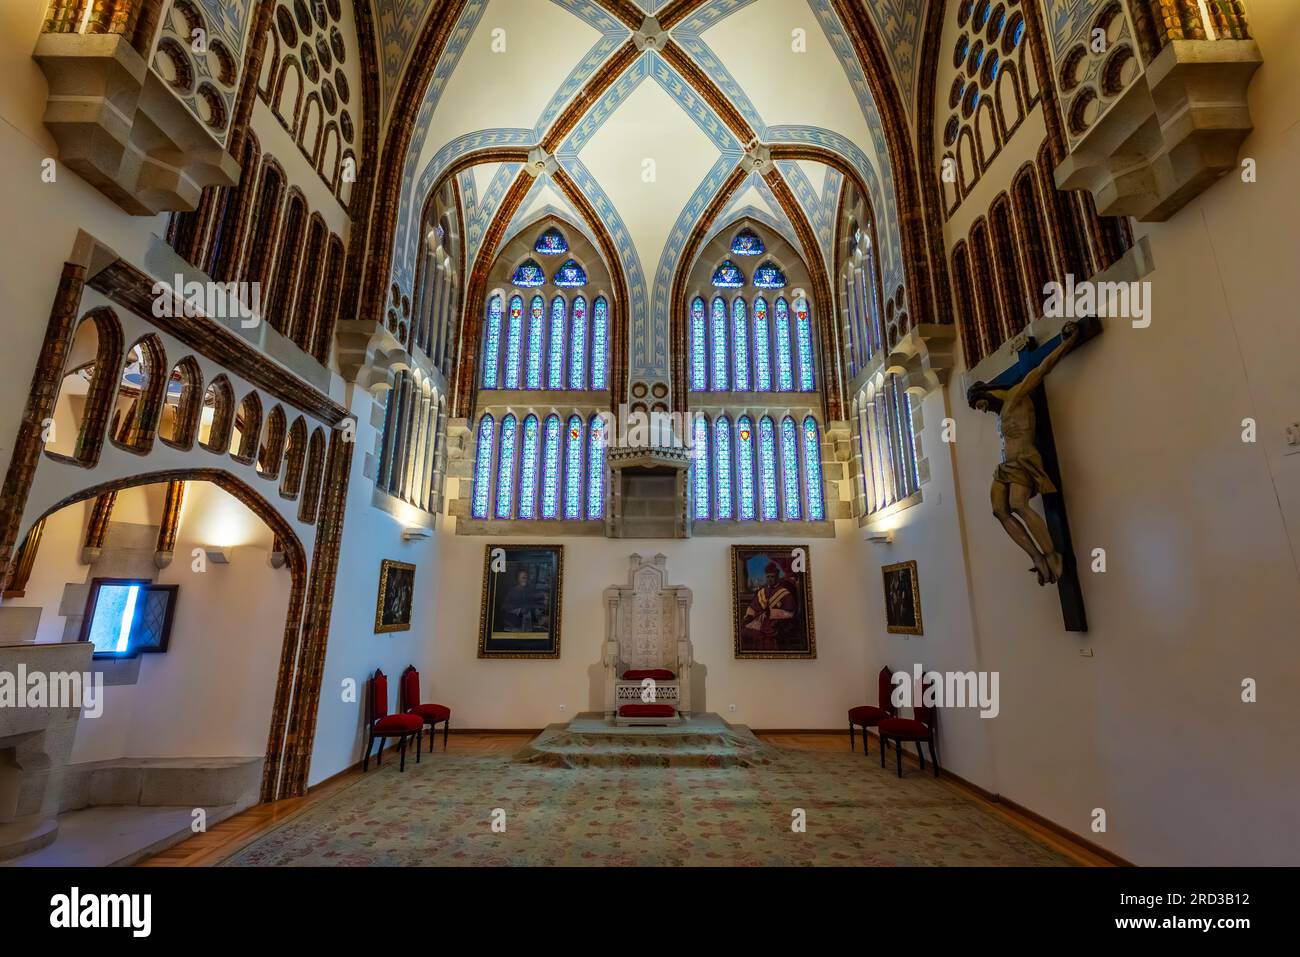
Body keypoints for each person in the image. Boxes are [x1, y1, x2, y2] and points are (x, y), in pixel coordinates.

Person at [967, 321, 1080, 585]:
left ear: (988, 393)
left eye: (982, 404)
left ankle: (1052, 555)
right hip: (1006, 465)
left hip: (1025, 460)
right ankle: (1036, 557)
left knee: (1018, 504)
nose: (983, 410)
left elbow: (1043, 368)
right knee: (999, 510)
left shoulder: (1017, 396)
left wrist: (1068, 342)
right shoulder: (999, 413)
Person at [742, 561, 800, 650]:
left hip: (777, 622)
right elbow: (753, 607)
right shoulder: (762, 591)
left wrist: (772, 613)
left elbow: (790, 612)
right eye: (768, 577)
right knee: (746, 631)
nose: (770, 579)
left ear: (776, 577)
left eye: (772, 577)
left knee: (765, 634)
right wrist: (749, 615)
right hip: (760, 620)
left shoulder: (784, 592)